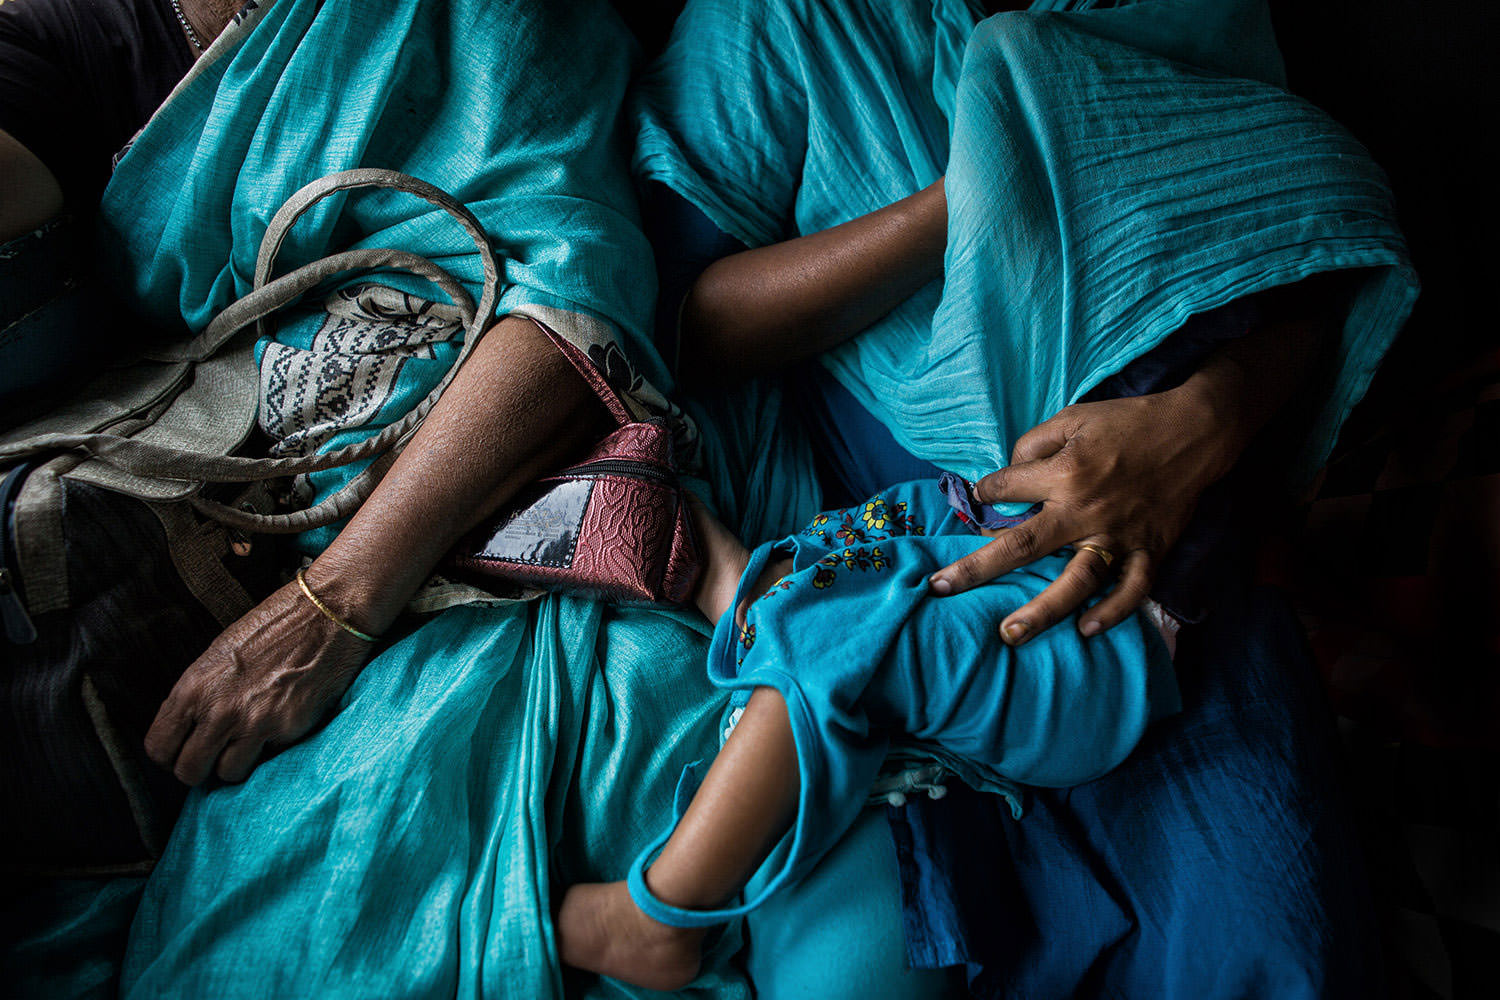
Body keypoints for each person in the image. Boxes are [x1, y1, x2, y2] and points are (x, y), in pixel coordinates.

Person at [632, 0, 1418, 996]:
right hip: (902, 520)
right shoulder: (775, 27)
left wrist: (1204, 421)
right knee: (887, 902)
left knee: (1269, 935)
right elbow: (686, 323)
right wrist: (979, 197)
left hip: (1165, 528)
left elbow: (1281, 239)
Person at [557, 482, 1178, 990]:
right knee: (815, 628)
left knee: (831, 637)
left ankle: (659, 915)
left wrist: (699, 545)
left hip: (1088, 618)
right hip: (971, 598)